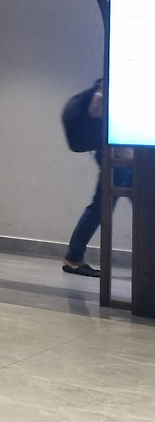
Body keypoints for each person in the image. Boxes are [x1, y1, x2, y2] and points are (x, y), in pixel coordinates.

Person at [63, 82, 134, 277]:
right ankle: (73, 257)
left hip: (116, 153)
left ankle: (73, 256)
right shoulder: (111, 84)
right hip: (116, 155)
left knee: (142, 208)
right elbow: (96, 109)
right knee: (100, 208)